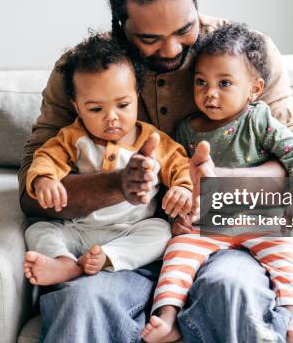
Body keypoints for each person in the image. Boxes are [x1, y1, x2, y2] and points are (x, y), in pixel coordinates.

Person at [19, 0, 293, 342]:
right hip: (116, 246)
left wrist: (213, 183)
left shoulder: (243, 56)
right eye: (149, 39)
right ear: (120, 24)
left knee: (233, 292)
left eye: (185, 29)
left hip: (221, 237)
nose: (172, 48)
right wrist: (116, 184)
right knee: (81, 305)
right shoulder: (85, 72)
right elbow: (30, 192)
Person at [141, 23, 293, 343]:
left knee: (288, 261)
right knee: (178, 254)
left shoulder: (259, 120)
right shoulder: (187, 130)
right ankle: (167, 319)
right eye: (201, 82)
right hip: (206, 223)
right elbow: (175, 175)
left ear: (253, 88)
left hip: (262, 218)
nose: (210, 93)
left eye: (224, 83)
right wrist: (177, 209)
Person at [22, 33, 193, 285]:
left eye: (122, 105)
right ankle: (65, 263)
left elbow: (181, 165)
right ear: (77, 106)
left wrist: (182, 189)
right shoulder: (73, 137)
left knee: (161, 231)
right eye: (95, 109)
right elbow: (47, 156)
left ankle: (109, 258)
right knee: (38, 230)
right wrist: (44, 179)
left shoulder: (154, 140)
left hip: (132, 228)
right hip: (79, 229)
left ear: (137, 96)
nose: (111, 117)